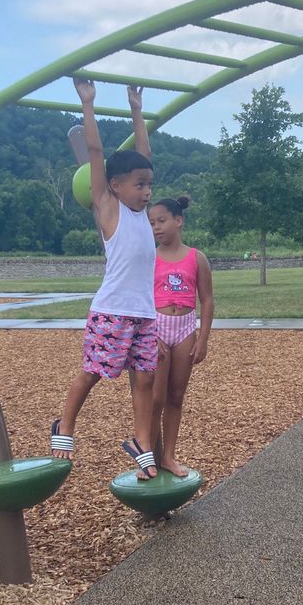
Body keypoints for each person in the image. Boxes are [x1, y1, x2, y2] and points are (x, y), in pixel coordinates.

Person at [50, 78, 159, 479]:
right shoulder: (109, 209)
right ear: (115, 185)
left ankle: (141, 442)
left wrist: (136, 110)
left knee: (145, 379)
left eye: (149, 185)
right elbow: (95, 153)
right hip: (113, 311)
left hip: (144, 313)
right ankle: (65, 425)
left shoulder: (142, 215)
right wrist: (88, 103)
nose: (147, 192)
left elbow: (143, 153)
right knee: (94, 372)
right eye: (139, 185)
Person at [148, 196, 214, 476]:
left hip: (186, 328)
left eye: (161, 221)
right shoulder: (149, 258)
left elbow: (207, 300)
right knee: (155, 399)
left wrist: (203, 339)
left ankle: (168, 457)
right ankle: (147, 459)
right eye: (152, 223)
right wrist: (150, 335)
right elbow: (140, 298)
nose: (156, 228)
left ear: (178, 220)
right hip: (158, 329)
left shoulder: (196, 258)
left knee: (176, 396)